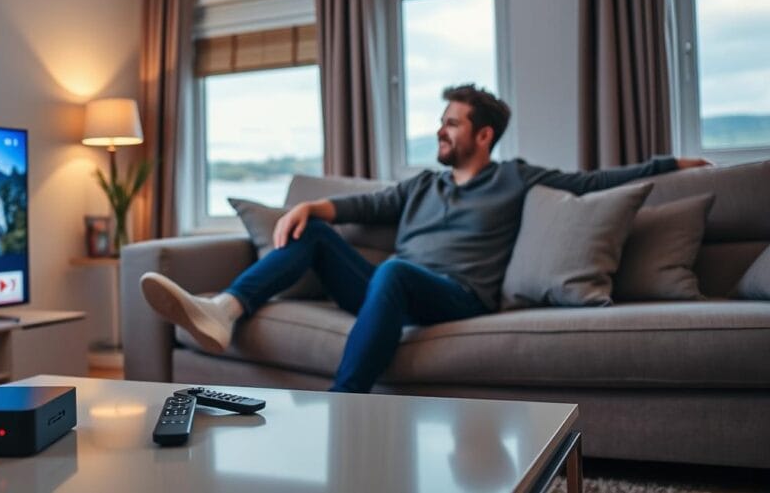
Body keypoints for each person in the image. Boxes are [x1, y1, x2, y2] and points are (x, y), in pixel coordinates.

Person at [139, 84, 711, 393]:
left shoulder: (516, 178)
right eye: (442, 121)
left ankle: (343, 407)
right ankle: (224, 309)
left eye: (453, 122)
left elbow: (594, 181)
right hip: (390, 293)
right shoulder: (422, 185)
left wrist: (673, 163)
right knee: (317, 233)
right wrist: (310, 205)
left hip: (456, 297)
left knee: (394, 270)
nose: (441, 129)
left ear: (483, 135)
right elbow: (363, 205)